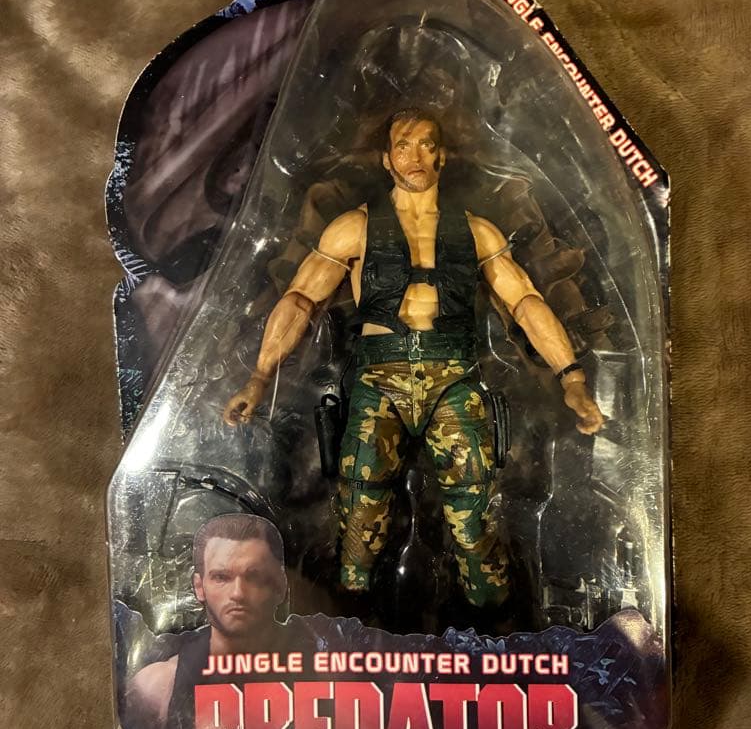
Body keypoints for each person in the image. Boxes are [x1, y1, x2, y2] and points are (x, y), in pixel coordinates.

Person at [223, 108, 603, 608]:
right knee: (360, 516)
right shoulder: (354, 228)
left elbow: (525, 303)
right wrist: (258, 377)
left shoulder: (478, 232)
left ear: (441, 156)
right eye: (403, 146)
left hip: (454, 377)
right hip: (379, 376)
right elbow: (300, 300)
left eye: (426, 144)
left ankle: (496, 626)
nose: (415, 156)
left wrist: (571, 378)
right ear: (387, 158)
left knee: (475, 516)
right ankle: (349, 621)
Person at [126, 514, 285, 729]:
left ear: (280, 585)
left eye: (254, 576)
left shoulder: (322, 651)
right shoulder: (160, 685)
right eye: (221, 577)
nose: (238, 593)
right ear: (199, 587)